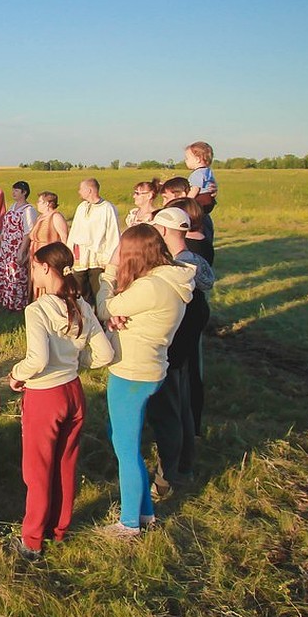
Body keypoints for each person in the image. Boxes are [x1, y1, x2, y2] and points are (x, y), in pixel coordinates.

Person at [6, 244, 113, 559]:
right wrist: (78, 364)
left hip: (45, 396)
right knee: (66, 463)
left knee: (38, 470)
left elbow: (37, 359)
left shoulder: (37, 310)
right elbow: (105, 353)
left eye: (34, 267)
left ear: (43, 268)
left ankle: (32, 539)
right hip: (73, 391)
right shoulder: (80, 304)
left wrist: (16, 375)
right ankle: (59, 528)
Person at [94, 225, 195, 537]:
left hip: (131, 372)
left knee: (125, 448)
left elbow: (103, 306)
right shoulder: (168, 279)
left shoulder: (151, 287)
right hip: (150, 367)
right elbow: (123, 310)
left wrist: (108, 273)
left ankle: (129, 523)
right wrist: (120, 316)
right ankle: (146, 513)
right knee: (120, 435)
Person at [146, 206, 214, 500]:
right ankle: (185, 465)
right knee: (183, 406)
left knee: (169, 412)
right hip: (188, 345)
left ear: (162, 231)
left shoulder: (175, 268)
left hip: (172, 347)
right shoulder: (197, 260)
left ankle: (166, 476)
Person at [65, 178, 121, 303]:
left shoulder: (107, 208)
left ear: (89, 190)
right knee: (80, 291)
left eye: (81, 189)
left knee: (99, 291)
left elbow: (113, 234)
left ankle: (101, 319)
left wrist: (110, 259)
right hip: (81, 255)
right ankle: (85, 318)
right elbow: (74, 231)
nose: (79, 192)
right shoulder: (81, 207)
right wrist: (69, 253)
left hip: (98, 257)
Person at [0, 180, 38, 312]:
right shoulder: (12, 206)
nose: (13, 193)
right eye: (13, 190)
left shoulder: (29, 210)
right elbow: (6, 226)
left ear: (24, 193)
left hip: (16, 247)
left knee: (15, 275)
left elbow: (28, 232)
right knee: (4, 273)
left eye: (16, 190)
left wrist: (21, 251)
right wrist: (0, 240)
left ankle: (15, 304)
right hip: (6, 246)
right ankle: (2, 300)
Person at [161, 178, 215, 266]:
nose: (164, 203)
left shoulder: (201, 221)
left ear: (182, 195)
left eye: (166, 198)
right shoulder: (200, 215)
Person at [30, 191, 70, 299]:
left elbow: (64, 237)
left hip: (48, 256)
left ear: (47, 203)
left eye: (39, 201)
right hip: (35, 255)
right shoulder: (40, 218)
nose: (37, 204)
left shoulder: (56, 217)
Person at [184, 141, 219, 212]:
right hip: (209, 199)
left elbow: (195, 189)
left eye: (187, 158)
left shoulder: (197, 173)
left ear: (197, 159)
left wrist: (186, 202)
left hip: (200, 200)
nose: (185, 161)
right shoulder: (207, 171)